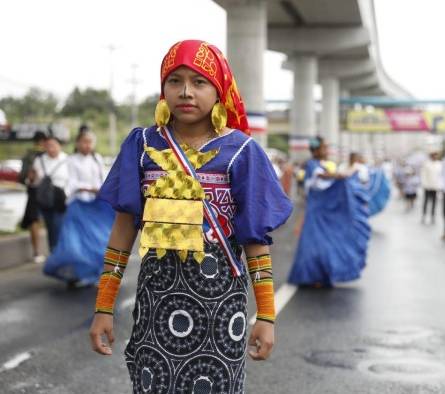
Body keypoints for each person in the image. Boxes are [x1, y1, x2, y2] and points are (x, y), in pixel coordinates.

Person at [88, 40, 292, 392]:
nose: (185, 92)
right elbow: (123, 230)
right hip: (155, 304)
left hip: (220, 307)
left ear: (219, 90)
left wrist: (267, 316)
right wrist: (104, 307)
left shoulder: (243, 152)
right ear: (163, 88)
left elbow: (255, 240)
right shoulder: (142, 146)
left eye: (199, 82)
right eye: (175, 81)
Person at [288, 137, 370, 287]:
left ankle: (322, 275)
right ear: (316, 150)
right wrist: (347, 172)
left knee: (327, 243)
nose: (327, 151)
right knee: (315, 244)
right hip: (316, 212)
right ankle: (312, 276)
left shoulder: (321, 164)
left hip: (324, 211)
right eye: (324, 148)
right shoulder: (312, 165)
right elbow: (325, 178)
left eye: (327, 147)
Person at [43, 130, 114, 288]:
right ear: (77, 143)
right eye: (84, 142)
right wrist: (88, 188)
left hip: (96, 205)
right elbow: (71, 182)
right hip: (78, 205)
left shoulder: (97, 159)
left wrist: (100, 190)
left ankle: (97, 273)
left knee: (100, 240)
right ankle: (78, 274)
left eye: (90, 142)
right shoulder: (71, 160)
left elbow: (104, 179)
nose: (87, 145)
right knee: (77, 243)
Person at [30, 135, 69, 252]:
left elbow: (71, 180)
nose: (51, 149)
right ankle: (53, 252)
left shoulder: (67, 160)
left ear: (60, 146)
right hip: (45, 199)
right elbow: (34, 182)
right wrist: (31, 178)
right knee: (50, 227)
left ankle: (59, 253)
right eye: (48, 146)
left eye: (53, 145)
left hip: (61, 199)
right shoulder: (39, 160)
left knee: (59, 226)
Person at [19, 131, 47, 263]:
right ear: (44, 141)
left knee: (33, 221)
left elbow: (21, 177)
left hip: (34, 191)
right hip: (50, 192)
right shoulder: (50, 153)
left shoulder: (28, 155)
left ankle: (37, 252)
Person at [420, 150, 442, 224]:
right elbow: (423, 175)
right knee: (426, 202)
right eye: (433, 155)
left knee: (434, 203)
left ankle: (433, 216)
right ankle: (424, 215)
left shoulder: (439, 164)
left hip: (435, 187)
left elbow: (440, 176)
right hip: (428, 187)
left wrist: (440, 186)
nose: (435, 156)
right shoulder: (426, 164)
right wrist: (425, 185)